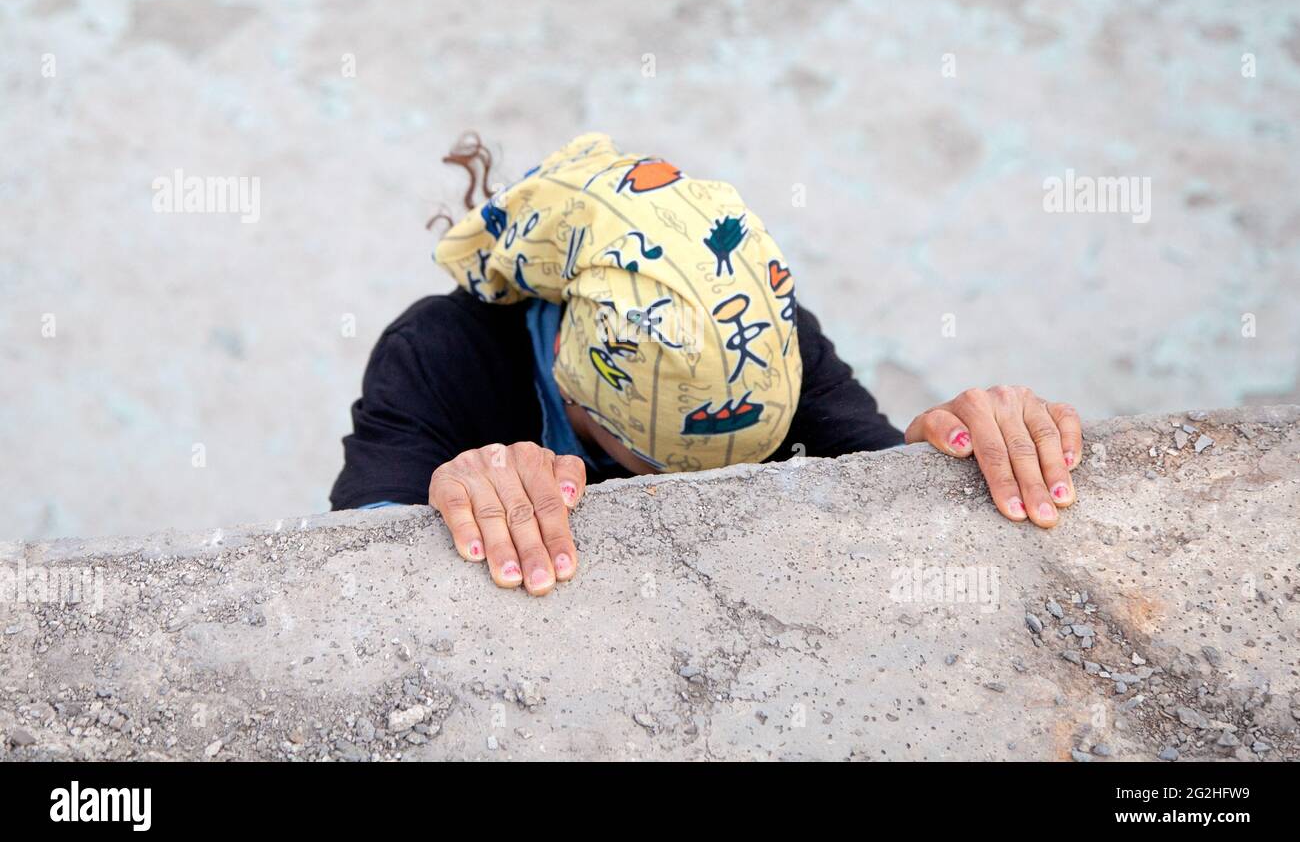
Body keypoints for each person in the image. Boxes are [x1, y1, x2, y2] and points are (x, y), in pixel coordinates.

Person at [331, 132, 1082, 596]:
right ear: (568, 372)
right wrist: (450, 493)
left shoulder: (762, 333)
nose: (695, 496)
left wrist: (951, 447)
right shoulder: (439, 354)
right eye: (664, 468)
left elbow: (877, 470)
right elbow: (355, 557)